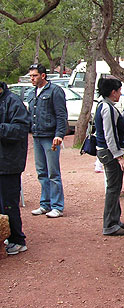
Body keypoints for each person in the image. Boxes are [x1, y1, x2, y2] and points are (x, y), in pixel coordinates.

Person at [26, 63, 68, 218]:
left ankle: (57, 206)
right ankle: (45, 204)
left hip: (50, 137)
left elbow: (61, 114)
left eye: (35, 75)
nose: (32, 78)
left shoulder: (55, 91)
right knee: (41, 172)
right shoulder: (31, 93)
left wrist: (59, 134)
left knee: (53, 173)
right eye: (30, 76)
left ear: (43, 76)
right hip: (37, 136)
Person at [95, 78, 124, 236]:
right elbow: (109, 134)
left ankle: (115, 219)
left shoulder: (106, 106)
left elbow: (119, 123)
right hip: (109, 152)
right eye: (118, 91)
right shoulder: (107, 108)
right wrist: (119, 157)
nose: (120, 94)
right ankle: (110, 225)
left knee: (115, 186)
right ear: (113, 92)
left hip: (107, 151)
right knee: (113, 188)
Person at [0, 80, 30, 255]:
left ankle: (17, 240)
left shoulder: (13, 102)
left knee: (9, 204)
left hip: (9, 164)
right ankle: (5, 236)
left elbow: (20, 129)